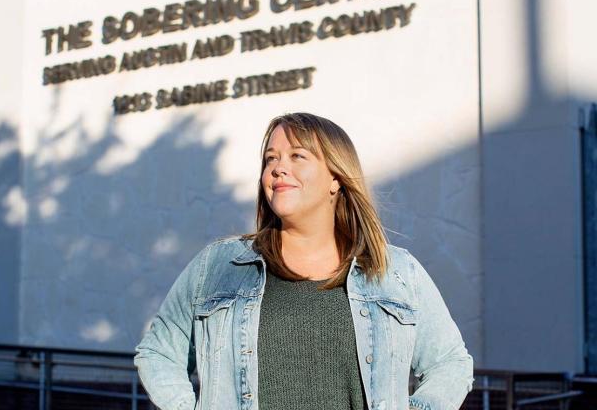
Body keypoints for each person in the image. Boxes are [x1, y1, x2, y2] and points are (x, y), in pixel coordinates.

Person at [134, 112, 474, 410]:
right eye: (270, 159)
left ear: (335, 179)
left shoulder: (395, 271)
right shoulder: (219, 266)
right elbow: (159, 352)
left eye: (297, 156)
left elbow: (451, 363)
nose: (278, 168)